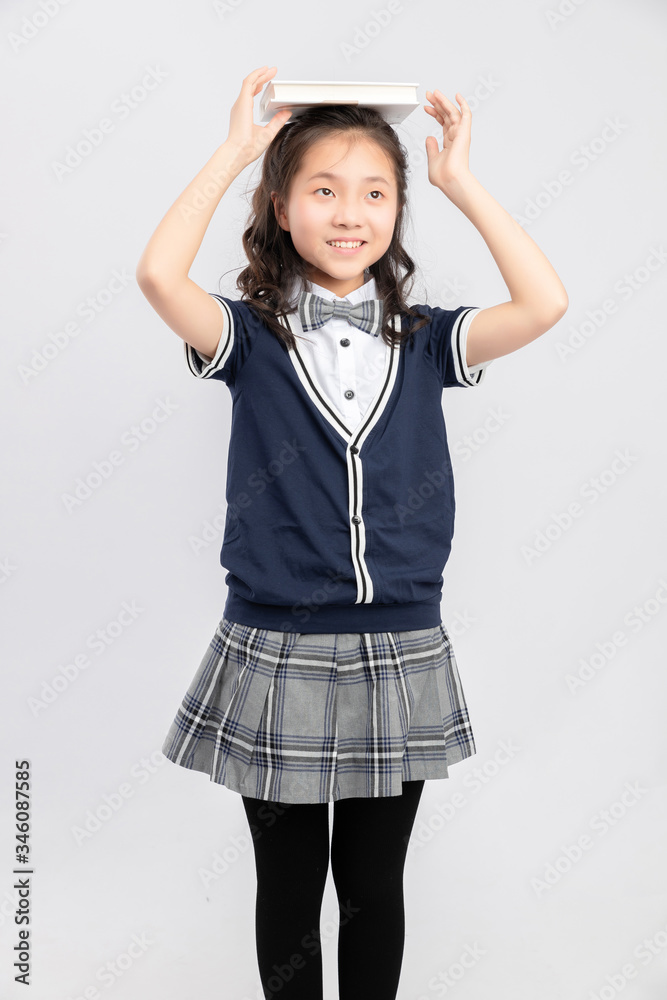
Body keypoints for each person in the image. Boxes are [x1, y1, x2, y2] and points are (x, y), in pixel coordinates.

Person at [136, 65, 568, 1000]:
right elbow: (156, 274)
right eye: (322, 191)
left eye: (375, 194)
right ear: (281, 207)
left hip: (399, 643)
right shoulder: (249, 336)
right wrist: (234, 150)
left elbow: (544, 304)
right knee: (287, 890)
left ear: (398, 213)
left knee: (373, 887)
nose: (349, 214)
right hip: (276, 644)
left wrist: (461, 183)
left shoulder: (427, 339)